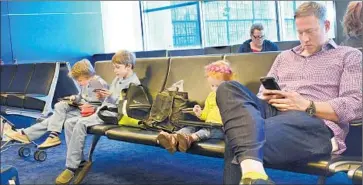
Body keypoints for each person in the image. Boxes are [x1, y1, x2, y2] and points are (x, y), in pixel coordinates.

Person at [217, 2, 362, 184]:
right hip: (274, 113)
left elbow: (356, 104)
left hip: (314, 121)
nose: (304, 39)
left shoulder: (348, 56)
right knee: (228, 88)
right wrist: (269, 96)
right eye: (300, 32)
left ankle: (253, 171)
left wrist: (306, 105)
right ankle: (254, 173)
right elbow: (262, 93)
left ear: (326, 26)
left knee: (238, 134)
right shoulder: (284, 57)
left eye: (310, 31)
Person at [55, 50, 141, 185]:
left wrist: (108, 96)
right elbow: (107, 98)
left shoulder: (133, 83)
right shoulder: (118, 79)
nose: (114, 70)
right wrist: (103, 96)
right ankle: (80, 160)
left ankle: (71, 166)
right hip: (104, 109)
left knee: (80, 124)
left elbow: (126, 105)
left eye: (117, 67)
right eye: (114, 67)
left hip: (114, 114)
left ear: (129, 66)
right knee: (70, 122)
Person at [5, 59, 108, 149]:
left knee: (53, 118)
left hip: (90, 114)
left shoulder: (97, 83)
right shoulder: (87, 83)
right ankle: (50, 136)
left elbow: (101, 104)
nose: (79, 83)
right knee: (59, 106)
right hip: (81, 109)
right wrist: (74, 98)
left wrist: (85, 105)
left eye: (80, 80)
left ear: (88, 75)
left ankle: (28, 134)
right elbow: (81, 96)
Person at [156, 60, 234, 154]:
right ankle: (174, 137)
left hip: (221, 128)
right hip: (208, 123)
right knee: (192, 126)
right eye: (212, 86)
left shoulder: (231, 96)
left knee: (207, 131)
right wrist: (199, 113)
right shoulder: (211, 96)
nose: (215, 89)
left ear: (229, 83)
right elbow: (205, 115)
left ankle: (190, 139)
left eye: (218, 85)